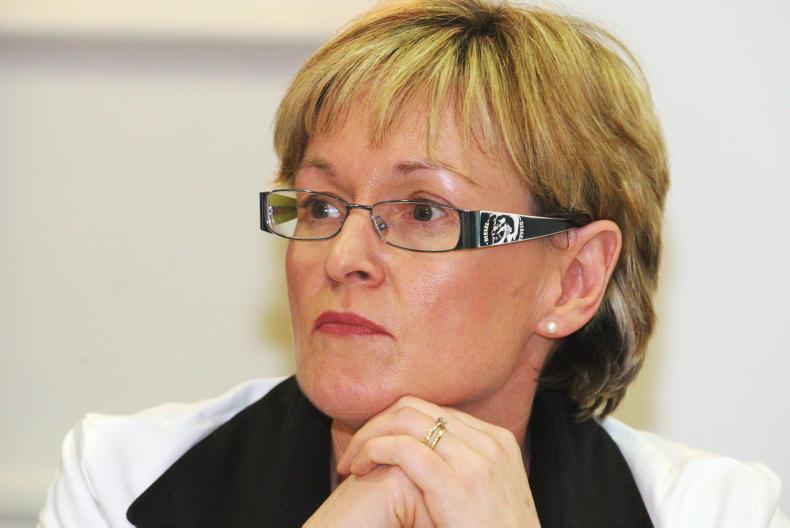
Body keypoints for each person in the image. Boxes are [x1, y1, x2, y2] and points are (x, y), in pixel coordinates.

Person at [39, 0, 787, 526]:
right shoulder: (122, 479)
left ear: (574, 279)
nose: (343, 257)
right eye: (321, 205)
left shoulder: (713, 513)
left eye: (424, 211)